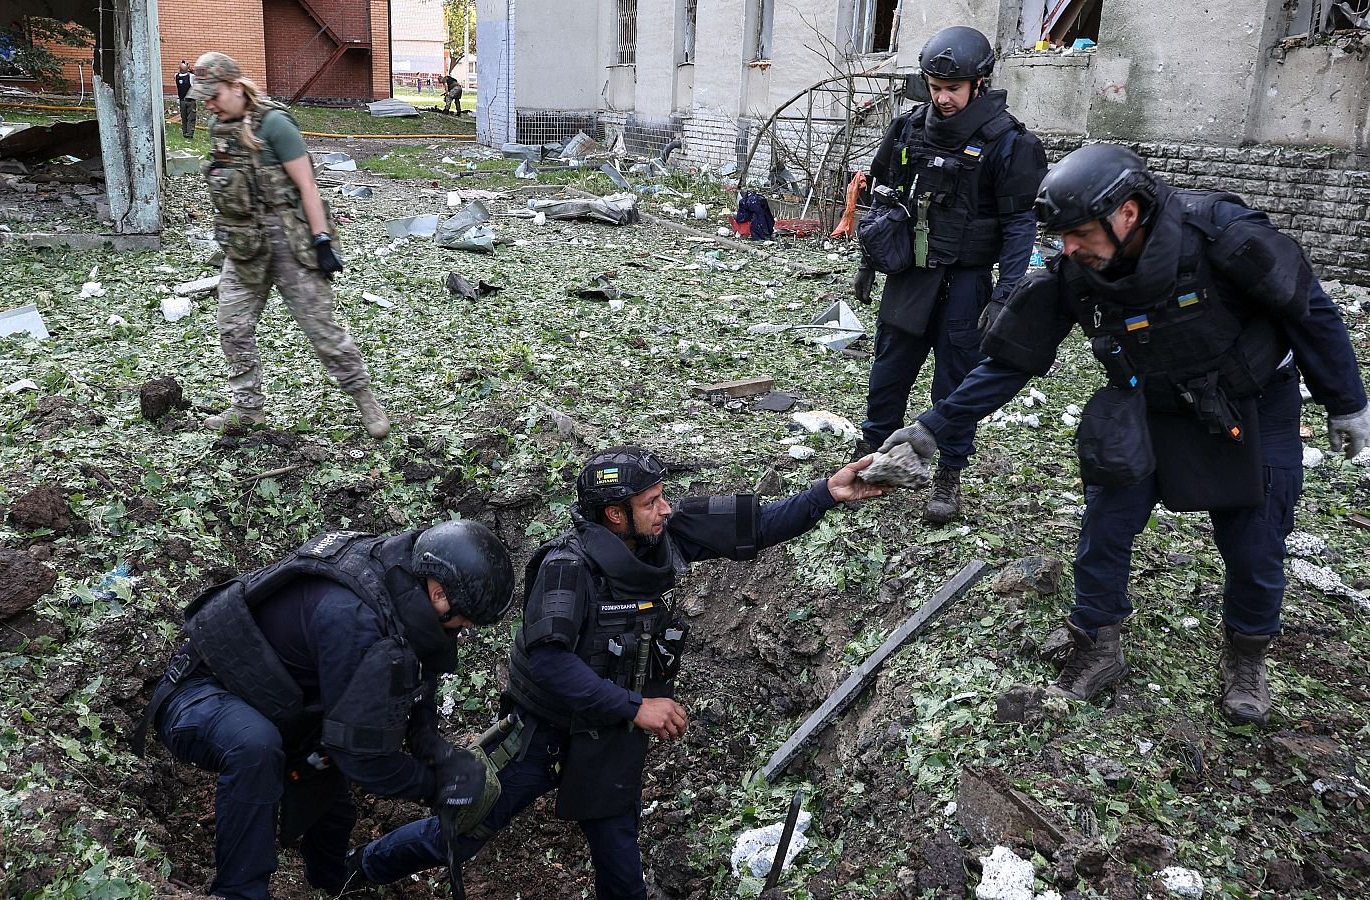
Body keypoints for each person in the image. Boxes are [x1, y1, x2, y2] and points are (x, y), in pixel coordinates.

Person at [880, 143, 1370, 725]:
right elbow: (1011, 360)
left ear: (1128, 213)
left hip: (1251, 402)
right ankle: (1098, 640)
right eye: (1060, 237)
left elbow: (1308, 310)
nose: (1067, 248)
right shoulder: (1076, 272)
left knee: (1255, 543)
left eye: (1078, 233)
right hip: (1146, 402)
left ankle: (1246, 656)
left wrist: (1346, 402)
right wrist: (934, 428)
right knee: (1105, 527)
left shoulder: (1224, 237)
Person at [352, 447, 894, 898]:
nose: (665, 510)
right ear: (615, 513)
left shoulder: (662, 536)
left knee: (620, 862)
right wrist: (638, 707)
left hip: (608, 738)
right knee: (463, 829)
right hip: (542, 733)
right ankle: (360, 869)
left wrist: (829, 492)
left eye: (662, 498)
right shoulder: (568, 568)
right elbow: (550, 659)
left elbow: (762, 523)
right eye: (651, 502)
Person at [133, 520, 516, 900]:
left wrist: (433, 748)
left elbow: (418, 675)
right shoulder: (356, 619)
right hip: (199, 695)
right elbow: (363, 758)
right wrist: (435, 787)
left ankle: (333, 883)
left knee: (330, 799)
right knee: (257, 747)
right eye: (466, 618)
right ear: (439, 595)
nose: (466, 628)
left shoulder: (402, 580)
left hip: (280, 703)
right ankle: (239, 891)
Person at [853, 26, 1048, 524]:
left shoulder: (1009, 143)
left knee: (955, 383)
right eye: (934, 87)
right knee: (888, 371)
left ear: (979, 84)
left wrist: (1006, 296)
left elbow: (1019, 223)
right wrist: (869, 262)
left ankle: (948, 476)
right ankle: (872, 460)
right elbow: (881, 197)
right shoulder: (908, 130)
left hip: (967, 280)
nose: (942, 98)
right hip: (912, 274)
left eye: (952, 89)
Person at [188, 51, 391, 437]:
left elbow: (307, 186)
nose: (208, 103)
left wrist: (322, 240)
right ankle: (247, 410)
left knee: (320, 327)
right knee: (233, 327)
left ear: (235, 86)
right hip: (245, 241)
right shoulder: (218, 124)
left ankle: (365, 400)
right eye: (205, 97)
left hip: (288, 237)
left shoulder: (275, 124)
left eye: (213, 94)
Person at [175, 60, 196, 140]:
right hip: (190, 100)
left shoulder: (176, 75)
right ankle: (189, 133)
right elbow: (197, 75)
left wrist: (183, 67)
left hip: (182, 100)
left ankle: (185, 132)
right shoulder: (190, 76)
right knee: (191, 117)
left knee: (184, 117)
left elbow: (180, 71)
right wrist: (190, 68)